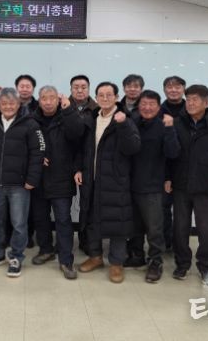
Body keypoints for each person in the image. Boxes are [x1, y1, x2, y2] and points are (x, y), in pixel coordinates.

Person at [77, 82, 140, 284]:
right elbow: (83, 148)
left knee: (117, 221)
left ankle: (116, 263)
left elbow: (133, 147)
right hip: (92, 178)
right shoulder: (91, 119)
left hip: (115, 180)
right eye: (101, 95)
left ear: (116, 97)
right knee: (92, 218)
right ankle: (95, 256)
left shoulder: (124, 118)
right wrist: (78, 169)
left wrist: (123, 125)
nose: (105, 98)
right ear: (96, 98)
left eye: (109, 95)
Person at [166, 84, 208, 285]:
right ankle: (182, 264)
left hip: (207, 186)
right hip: (181, 184)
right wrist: (168, 178)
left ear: (206, 102)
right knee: (180, 228)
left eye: (196, 99)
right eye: (189, 99)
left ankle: (206, 267)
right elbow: (170, 155)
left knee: (207, 230)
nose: (191, 103)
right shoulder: (178, 123)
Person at [0, 87, 44, 277]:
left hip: (19, 185)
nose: (8, 106)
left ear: (19, 104)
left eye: (12, 103)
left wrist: (32, 179)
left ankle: (16, 256)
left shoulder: (30, 124)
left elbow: (38, 152)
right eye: (4, 103)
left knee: (19, 223)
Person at [126, 90, 180, 283]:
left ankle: (155, 262)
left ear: (158, 107)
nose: (147, 108)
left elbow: (173, 153)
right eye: (144, 104)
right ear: (138, 106)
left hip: (153, 186)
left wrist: (170, 129)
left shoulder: (164, 125)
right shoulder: (132, 123)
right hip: (131, 183)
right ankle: (137, 256)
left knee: (155, 228)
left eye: (151, 104)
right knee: (134, 225)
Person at [31, 86, 84, 279]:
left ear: (58, 100)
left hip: (62, 177)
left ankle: (66, 260)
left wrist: (68, 110)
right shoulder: (32, 120)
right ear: (39, 100)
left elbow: (78, 136)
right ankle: (46, 250)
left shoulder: (67, 117)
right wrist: (37, 158)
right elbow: (24, 145)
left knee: (63, 220)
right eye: (44, 98)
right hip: (38, 178)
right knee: (40, 218)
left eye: (52, 98)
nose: (48, 102)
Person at [69, 74, 97, 255]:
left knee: (87, 204)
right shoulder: (62, 107)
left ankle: (85, 240)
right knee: (63, 205)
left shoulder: (97, 110)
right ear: (71, 89)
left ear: (88, 89)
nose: (80, 90)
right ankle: (64, 241)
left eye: (83, 87)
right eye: (76, 87)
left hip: (87, 163)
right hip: (63, 163)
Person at [160, 75, 186, 252]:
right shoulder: (158, 111)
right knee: (163, 209)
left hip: (186, 168)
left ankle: (180, 245)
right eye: (169, 87)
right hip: (163, 169)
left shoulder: (191, 110)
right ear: (164, 90)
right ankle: (165, 242)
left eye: (177, 87)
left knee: (182, 212)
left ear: (183, 89)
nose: (173, 90)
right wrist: (166, 176)